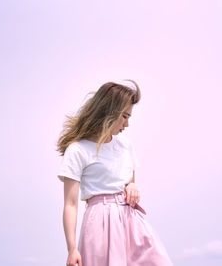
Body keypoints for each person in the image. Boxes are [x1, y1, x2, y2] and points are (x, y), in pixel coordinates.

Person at [56, 80, 173, 266]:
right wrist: (72, 249)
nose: (127, 124)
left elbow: (129, 181)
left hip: (131, 220)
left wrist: (132, 186)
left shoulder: (125, 145)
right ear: (108, 112)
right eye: (124, 116)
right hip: (100, 222)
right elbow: (70, 204)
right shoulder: (77, 150)